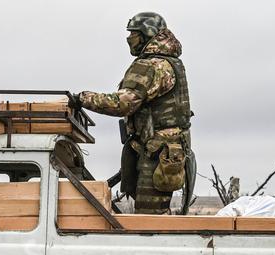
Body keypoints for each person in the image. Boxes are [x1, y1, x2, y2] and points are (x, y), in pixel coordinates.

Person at [75, 11, 193, 214]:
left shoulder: (151, 65)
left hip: (157, 153)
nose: (129, 38)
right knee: (152, 216)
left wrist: (82, 99)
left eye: (133, 33)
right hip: (163, 151)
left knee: (149, 221)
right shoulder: (169, 62)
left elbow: (123, 103)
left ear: (147, 34)